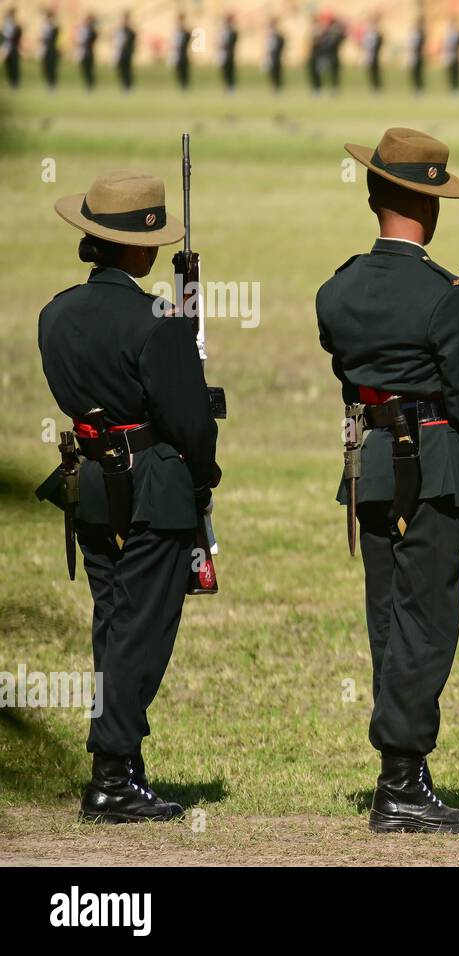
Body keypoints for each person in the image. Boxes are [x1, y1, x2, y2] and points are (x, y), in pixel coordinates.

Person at [317, 129, 459, 834]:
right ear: (433, 208)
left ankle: (401, 769)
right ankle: (400, 781)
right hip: (432, 468)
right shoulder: (442, 295)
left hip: (370, 465)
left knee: (388, 618)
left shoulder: (337, 289)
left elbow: (350, 370)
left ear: (372, 196)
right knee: (426, 624)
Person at [38, 170, 221, 823]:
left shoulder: (54, 312)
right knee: (141, 630)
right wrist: (203, 479)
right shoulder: (157, 321)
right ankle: (112, 773)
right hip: (152, 486)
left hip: (88, 480)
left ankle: (120, 762)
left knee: (113, 621)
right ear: (142, 249)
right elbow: (191, 424)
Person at [113, 12, 135, 92]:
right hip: (120, 53)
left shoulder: (130, 31)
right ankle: (123, 85)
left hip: (127, 53)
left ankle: (129, 86)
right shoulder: (118, 31)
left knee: (128, 70)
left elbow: (132, 41)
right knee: (120, 70)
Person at [74, 13, 96, 90]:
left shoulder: (92, 30)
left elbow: (92, 39)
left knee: (90, 69)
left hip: (89, 53)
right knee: (84, 70)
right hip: (82, 53)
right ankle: (87, 84)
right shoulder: (81, 30)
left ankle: (90, 85)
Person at [217, 14, 238, 94]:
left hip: (229, 55)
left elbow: (231, 43)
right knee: (224, 72)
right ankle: (226, 87)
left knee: (230, 72)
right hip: (223, 55)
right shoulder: (222, 33)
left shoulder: (233, 32)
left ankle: (231, 88)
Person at [362, 15, 383, 92]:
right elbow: (364, 45)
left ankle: (377, 87)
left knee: (376, 72)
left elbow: (379, 44)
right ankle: (373, 87)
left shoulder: (378, 35)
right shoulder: (367, 36)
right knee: (370, 72)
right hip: (368, 56)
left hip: (375, 56)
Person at [264, 17, 285, 92]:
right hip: (270, 57)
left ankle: (278, 87)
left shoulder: (279, 37)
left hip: (276, 57)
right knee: (271, 73)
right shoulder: (268, 38)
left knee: (277, 72)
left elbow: (281, 46)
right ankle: (273, 87)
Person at [39, 6, 58, 90]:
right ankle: (48, 83)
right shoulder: (44, 27)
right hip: (44, 50)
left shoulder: (54, 27)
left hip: (52, 50)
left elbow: (53, 38)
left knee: (52, 67)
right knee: (45, 67)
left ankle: (53, 84)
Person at [1, 7, 20, 89]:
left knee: (14, 65)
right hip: (6, 48)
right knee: (8, 65)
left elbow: (16, 36)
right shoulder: (6, 26)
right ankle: (11, 82)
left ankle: (15, 82)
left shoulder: (16, 26)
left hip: (13, 48)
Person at [171, 14, 191, 91]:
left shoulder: (185, 32)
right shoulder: (176, 32)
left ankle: (185, 85)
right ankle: (181, 85)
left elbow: (188, 36)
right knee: (178, 70)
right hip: (176, 55)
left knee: (184, 70)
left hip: (183, 55)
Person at [443, 18, 459, 93]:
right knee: (449, 73)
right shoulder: (447, 35)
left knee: (456, 73)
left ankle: (456, 88)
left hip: (455, 57)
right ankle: (451, 88)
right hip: (449, 57)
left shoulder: (458, 35)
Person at [408, 16, 425, 93]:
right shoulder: (412, 36)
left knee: (419, 73)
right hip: (412, 56)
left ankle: (420, 88)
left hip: (418, 56)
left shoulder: (421, 35)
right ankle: (415, 88)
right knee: (413, 73)